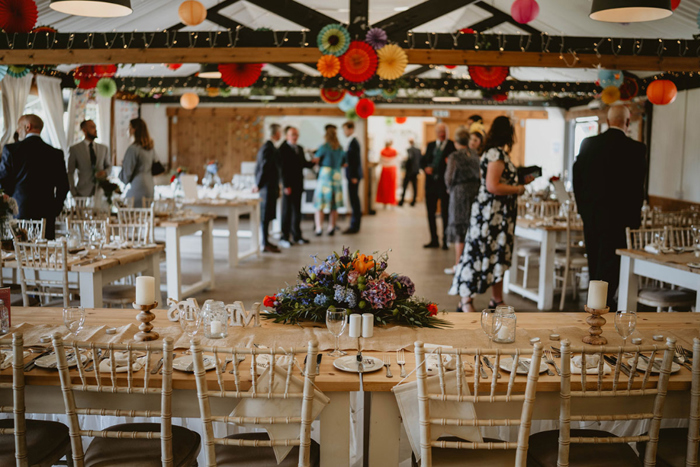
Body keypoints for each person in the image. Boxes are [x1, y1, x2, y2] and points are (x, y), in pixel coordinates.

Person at [449, 116, 533, 312]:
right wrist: (518, 189)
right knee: (478, 254)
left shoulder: (497, 153)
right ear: (508, 133)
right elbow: (492, 186)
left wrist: (519, 181)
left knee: (497, 255)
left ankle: (496, 299)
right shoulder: (496, 154)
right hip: (490, 216)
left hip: (498, 216)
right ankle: (465, 300)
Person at [573, 105, 646, 308]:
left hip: (593, 216)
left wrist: (583, 210)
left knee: (595, 262)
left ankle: (595, 307)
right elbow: (637, 189)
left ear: (607, 121)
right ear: (628, 123)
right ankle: (605, 307)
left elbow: (577, 179)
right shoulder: (637, 149)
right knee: (612, 266)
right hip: (621, 220)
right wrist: (635, 222)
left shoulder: (588, 144)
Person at [0, 115, 68, 240]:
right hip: (47, 213)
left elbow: (3, 183)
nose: (18, 132)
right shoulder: (55, 153)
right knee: (46, 254)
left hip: (19, 213)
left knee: (20, 254)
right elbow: (63, 186)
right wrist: (54, 209)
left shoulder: (11, 150)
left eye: (19, 128)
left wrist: (8, 205)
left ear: (27, 127)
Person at [444, 128, 482, 275]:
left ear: (455, 141)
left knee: (459, 228)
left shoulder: (454, 156)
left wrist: (449, 188)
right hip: (474, 191)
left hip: (459, 192)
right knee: (470, 226)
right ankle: (470, 262)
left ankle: (458, 264)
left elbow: (449, 176)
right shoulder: (474, 154)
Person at [421, 123, 455, 249]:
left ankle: (445, 239)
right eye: (439, 131)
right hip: (430, 184)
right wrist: (425, 168)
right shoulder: (430, 145)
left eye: (444, 131)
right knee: (430, 212)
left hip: (444, 185)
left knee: (445, 212)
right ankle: (433, 239)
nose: (442, 133)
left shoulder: (452, 146)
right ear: (436, 132)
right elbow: (423, 160)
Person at [279, 126, 313, 248]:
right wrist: (285, 185)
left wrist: (314, 162)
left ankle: (297, 235)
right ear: (287, 135)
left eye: (296, 134)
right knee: (286, 212)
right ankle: (284, 237)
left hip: (299, 184)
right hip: (288, 186)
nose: (295, 137)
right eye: (293, 134)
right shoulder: (282, 149)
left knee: (297, 211)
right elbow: (282, 169)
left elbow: (303, 164)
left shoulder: (299, 148)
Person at [254, 123, 283, 253]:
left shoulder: (270, 147)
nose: (280, 135)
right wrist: (258, 185)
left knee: (268, 215)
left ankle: (266, 241)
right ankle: (265, 243)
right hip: (266, 187)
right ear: (276, 133)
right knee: (265, 215)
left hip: (270, 186)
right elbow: (264, 167)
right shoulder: (268, 148)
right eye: (280, 132)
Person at [313, 125, 346, 236]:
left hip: (325, 175)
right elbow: (345, 163)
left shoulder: (324, 147)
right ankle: (331, 227)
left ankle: (319, 227)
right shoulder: (340, 147)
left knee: (320, 204)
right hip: (336, 175)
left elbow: (315, 159)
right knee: (334, 204)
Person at [68, 119, 112, 197]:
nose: (95, 130)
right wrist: (73, 192)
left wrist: (105, 173)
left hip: (101, 192)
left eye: (95, 127)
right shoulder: (75, 149)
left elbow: (109, 166)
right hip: (82, 192)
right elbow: (70, 172)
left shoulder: (103, 148)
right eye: (92, 127)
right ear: (84, 130)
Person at [119, 118, 155, 208]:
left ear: (134, 129)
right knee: (145, 215)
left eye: (129, 127)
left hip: (137, 185)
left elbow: (127, 173)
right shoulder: (150, 148)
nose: (128, 130)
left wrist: (123, 167)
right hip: (149, 184)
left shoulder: (133, 149)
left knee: (131, 214)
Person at [342, 121, 362, 234]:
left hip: (353, 176)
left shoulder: (354, 142)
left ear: (350, 129)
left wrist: (354, 176)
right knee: (353, 200)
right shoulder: (351, 142)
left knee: (354, 201)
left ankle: (355, 225)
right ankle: (354, 224)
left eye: (345, 129)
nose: (344, 132)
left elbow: (355, 161)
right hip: (351, 175)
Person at [399, 138, 421, 207]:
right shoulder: (418, 150)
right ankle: (413, 201)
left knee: (405, 186)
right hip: (415, 171)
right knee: (414, 187)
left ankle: (402, 201)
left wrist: (404, 166)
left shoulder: (409, 150)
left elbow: (410, 159)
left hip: (409, 171)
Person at [376, 140, 398, 206]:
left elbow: (380, 161)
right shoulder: (394, 151)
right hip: (391, 170)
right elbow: (396, 161)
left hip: (385, 169)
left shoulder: (382, 151)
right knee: (391, 187)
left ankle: (384, 201)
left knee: (384, 186)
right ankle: (391, 201)